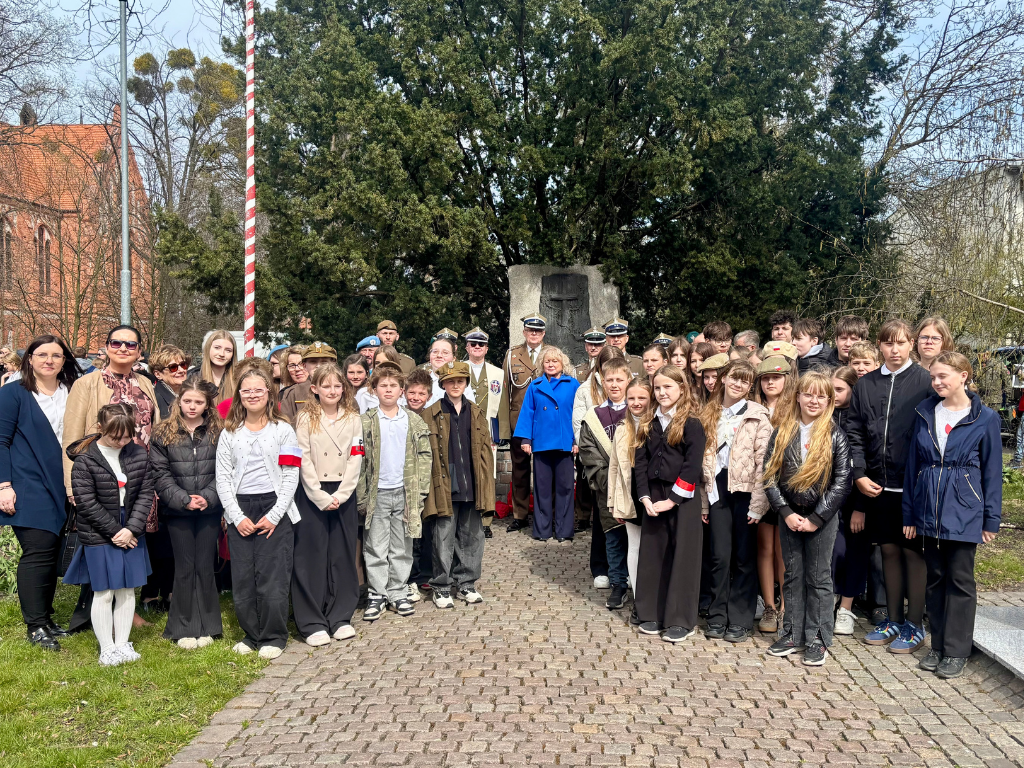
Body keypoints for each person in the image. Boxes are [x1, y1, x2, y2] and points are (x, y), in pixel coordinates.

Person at [903, 351, 1001, 679]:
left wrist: (991, 518)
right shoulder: (925, 412)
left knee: (960, 581)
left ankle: (957, 650)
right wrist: (910, 514)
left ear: (963, 376)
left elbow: (992, 472)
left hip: (964, 511)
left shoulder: (985, 418)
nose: (936, 382)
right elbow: (914, 467)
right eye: (933, 377)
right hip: (928, 509)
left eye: (943, 376)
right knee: (935, 579)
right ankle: (938, 645)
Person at [62, 324, 160, 632]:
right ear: (106, 347)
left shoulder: (146, 383)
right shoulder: (87, 383)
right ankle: (95, 612)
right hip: (100, 475)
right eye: (116, 343)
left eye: (130, 344)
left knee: (133, 539)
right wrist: (71, 486)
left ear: (139, 351)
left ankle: (127, 608)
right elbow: (73, 437)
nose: (123, 349)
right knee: (103, 541)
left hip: (138, 474)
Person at [847, 319, 933, 655]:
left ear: (911, 344)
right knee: (888, 551)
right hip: (876, 484)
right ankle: (893, 619)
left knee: (913, 553)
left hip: (913, 486)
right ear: (879, 346)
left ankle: (915, 624)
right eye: (888, 343)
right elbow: (854, 431)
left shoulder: (925, 381)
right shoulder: (866, 384)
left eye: (900, 343)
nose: (894, 350)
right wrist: (858, 472)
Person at [763, 372, 851, 665]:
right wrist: (785, 512)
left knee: (818, 576)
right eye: (808, 394)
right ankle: (792, 632)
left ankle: (818, 638)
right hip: (789, 515)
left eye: (821, 396)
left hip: (821, 518)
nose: (814, 401)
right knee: (793, 574)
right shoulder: (782, 432)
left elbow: (842, 481)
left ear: (829, 401)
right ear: (798, 397)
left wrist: (816, 518)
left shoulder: (835, 435)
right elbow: (769, 476)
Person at [0, 335, 81, 650]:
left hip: (62, 482)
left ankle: (46, 618)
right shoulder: (13, 393)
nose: (49, 360)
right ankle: (35, 626)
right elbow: (1, 441)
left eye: (56, 355)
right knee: (38, 550)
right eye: (42, 354)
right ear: (30, 359)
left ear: (64, 361)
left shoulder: (71, 391)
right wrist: (4, 485)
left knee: (52, 551)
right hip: (27, 482)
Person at [215, 367, 301, 659]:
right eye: (246, 390)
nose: (252, 395)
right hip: (240, 506)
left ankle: (274, 635)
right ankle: (251, 634)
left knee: (273, 575)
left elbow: (291, 475)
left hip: (275, 505)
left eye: (258, 390)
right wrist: (236, 516)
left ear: (268, 393)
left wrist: (275, 515)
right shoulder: (229, 433)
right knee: (243, 575)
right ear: (239, 395)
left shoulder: (284, 430)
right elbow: (222, 478)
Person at [63, 404, 154, 666]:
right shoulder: (85, 459)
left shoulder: (138, 453)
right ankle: (107, 648)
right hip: (100, 530)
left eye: (127, 437)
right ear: (101, 428)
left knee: (127, 589)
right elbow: (86, 502)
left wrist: (132, 528)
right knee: (104, 591)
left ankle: (123, 643)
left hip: (131, 526)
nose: (122, 442)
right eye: (116, 437)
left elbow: (145, 492)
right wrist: (116, 532)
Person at [699, 360, 773, 644]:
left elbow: (764, 463)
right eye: (733, 378)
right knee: (719, 556)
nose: (738, 384)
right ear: (723, 378)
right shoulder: (709, 412)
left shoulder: (758, 416)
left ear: (750, 386)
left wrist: (758, 504)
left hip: (746, 490)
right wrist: (704, 502)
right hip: (717, 489)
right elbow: (702, 462)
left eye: (744, 381)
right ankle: (717, 615)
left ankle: (740, 619)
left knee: (743, 557)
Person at [633, 364, 706, 643]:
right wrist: (645, 496)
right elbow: (640, 462)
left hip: (682, 498)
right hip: (653, 495)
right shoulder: (648, 422)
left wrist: (673, 500)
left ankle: (681, 619)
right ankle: (651, 612)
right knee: (653, 555)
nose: (662, 392)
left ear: (682, 388)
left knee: (683, 557)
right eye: (658, 387)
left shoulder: (692, 423)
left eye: (668, 387)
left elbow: (692, 466)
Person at [149, 379, 223, 648]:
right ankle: (182, 627)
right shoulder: (162, 432)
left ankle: (208, 626)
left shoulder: (219, 431)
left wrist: (208, 497)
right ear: (178, 402)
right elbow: (159, 473)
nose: (192, 406)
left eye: (199, 402)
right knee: (184, 567)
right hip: (177, 510)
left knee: (204, 565)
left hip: (209, 509)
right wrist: (183, 499)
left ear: (207, 404)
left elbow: (225, 468)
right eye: (188, 401)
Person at [293, 364, 363, 645]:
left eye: (337, 386)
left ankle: (340, 615)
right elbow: (303, 457)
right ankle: (312, 621)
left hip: (343, 490)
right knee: (311, 555)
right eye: (326, 386)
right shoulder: (305, 418)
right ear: (315, 389)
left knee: (342, 554)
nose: (332, 391)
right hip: (313, 491)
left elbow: (356, 455)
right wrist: (319, 495)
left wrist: (343, 494)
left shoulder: (353, 418)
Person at [358, 362, 432, 618]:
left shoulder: (413, 421)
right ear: (374, 389)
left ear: (402, 390)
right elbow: (358, 460)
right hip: (377, 493)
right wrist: (361, 494)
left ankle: (398, 592)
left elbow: (425, 457)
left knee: (402, 546)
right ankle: (377, 593)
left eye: (393, 386)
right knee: (376, 546)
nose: (388, 390)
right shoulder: (366, 421)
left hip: (405, 493)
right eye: (383, 386)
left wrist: (420, 492)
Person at [423, 361, 495, 607]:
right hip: (444, 483)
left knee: (472, 536)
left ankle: (466, 583)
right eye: (450, 381)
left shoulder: (476, 412)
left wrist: (485, 483)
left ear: (466, 383)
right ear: (443, 384)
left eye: (460, 381)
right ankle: (442, 586)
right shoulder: (430, 413)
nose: (455, 385)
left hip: (472, 480)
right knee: (443, 536)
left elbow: (485, 452)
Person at [578, 356, 633, 609]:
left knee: (636, 537)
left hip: (636, 488)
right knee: (613, 537)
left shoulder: (638, 411)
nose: (614, 384)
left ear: (628, 380)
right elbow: (589, 455)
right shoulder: (594, 416)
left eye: (619, 379)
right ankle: (618, 583)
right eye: (609, 380)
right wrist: (610, 483)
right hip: (607, 489)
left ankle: (636, 580)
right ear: (602, 382)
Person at [515, 347, 580, 541]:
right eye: (547, 361)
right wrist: (526, 439)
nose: (551, 364)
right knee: (542, 489)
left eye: (555, 361)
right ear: (542, 364)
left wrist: (577, 440)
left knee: (565, 489)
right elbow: (527, 412)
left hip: (565, 442)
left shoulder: (573, 384)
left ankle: (564, 531)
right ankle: (542, 530)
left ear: (562, 363)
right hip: (542, 442)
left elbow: (578, 415)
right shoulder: (535, 386)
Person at [752, 355, 797, 633]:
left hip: (785, 486)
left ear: (786, 380)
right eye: (765, 378)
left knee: (783, 550)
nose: (770, 383)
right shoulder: (753, 408)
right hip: (759, 486)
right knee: (764, 547)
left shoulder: (794, 409)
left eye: (776, 378)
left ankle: (785, 607)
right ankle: (769, 606)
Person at [572, 345, 625, 568]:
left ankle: (623, 569)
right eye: (605, 367)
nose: (613, 380)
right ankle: (600, 565)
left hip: (624, 465)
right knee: (601, 517)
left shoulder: (630, 387)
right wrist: (595, 458)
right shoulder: (585, 389)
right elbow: (579, 425)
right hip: (598, 464)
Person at [829, 366, 872, 636]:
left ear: (852, 390)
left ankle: (846, 607)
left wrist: (860, 508)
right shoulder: (824, 415)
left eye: (839, 390)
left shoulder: (861, 419)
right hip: (829, 498)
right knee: (834, 551)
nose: (833, 395)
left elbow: (866, 464)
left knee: (854, 551)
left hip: (856, 498)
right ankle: (830, 599)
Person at [608, 376, 653, 623]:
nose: (636, 403)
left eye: (641, 398)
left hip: (655, 494)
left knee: (654, 546)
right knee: (634, 545)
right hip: (630, 492)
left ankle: (654, 594)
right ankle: (638, 596)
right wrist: (613, 502)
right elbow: (614, 467)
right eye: (631, 398)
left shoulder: (657, 425)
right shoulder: (622, 429)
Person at [498, 314, 546, 532]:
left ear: (543, 333)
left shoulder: (551, 354)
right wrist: (504, 428)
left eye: (538, 331)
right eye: (530, 330)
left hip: (545, 422)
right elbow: (505, 393)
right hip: (519, 422)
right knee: (519, 471)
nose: (534, 334)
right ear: (524, 332)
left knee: (545, 472)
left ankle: (545, 515)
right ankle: (520, 515)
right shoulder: (512, 355)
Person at [462, 327, 503, 538]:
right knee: (465, 473)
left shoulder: (498, 373)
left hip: (487, 430)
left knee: (487, 474)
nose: (477, 347)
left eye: (481, 344)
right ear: (467, 347)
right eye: (473, 344)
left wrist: (500, 433)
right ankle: (466, 520)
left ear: (486, 349)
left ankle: (486, 521)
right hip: (463, 428)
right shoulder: (458, 369)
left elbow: (502, 406)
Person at [280, 342, 338, 422]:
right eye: (313, 362)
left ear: (333, 364)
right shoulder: (293, 393)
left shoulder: (344, 390)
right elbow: (286, 424)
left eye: (324, 362)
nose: (318, 366)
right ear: (305, 365)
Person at [356, 346, 408, 413]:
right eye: (377, 363)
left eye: (386, 362)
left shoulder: (405, 393)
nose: (382, 366)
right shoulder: (364, 393)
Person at [190, 330, 237, 403]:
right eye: (217, 348)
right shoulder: (192, 377)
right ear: (208, 349)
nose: (222, 354)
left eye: (228, 350)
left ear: (233, 354)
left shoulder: (238, 379)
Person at [150, 345, 191, 419]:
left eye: (183, 365)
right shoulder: (154, 401)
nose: (181, 370)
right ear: (158, 374)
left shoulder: (193, 393)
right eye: (173, 367)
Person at [976, 350, 1011, 414]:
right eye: (980, 355)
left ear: (988, 354)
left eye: (984, 355)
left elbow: (1007, 381)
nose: (982, 357)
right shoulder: (977, 365)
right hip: (981, 399)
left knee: (993, 418)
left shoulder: (998, 364)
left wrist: (1008, 398)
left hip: (994, 400)